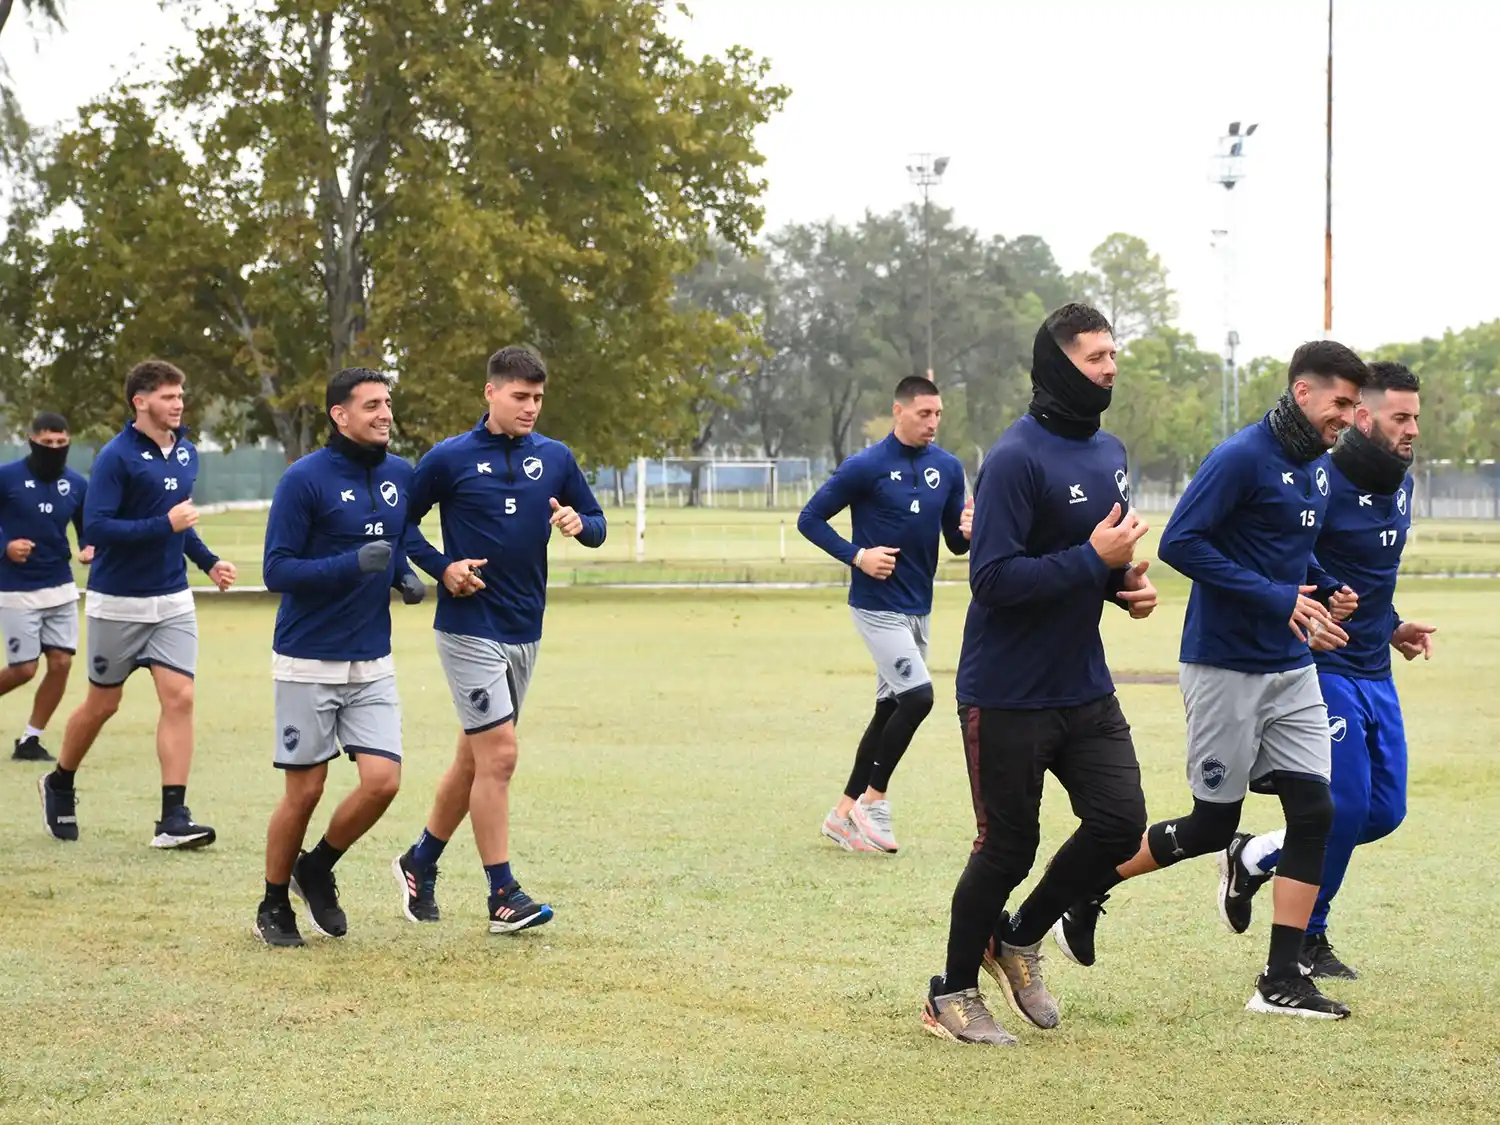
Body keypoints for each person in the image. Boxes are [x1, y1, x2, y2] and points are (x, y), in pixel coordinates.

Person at [1055, 340, 1369, 1021]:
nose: (1349, 416)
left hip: (1291, 667)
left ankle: (1282, 977)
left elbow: (1293, 545)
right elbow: (1181, 544)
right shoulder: (1240, 457)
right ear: (1304, 392)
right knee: (1208, 824)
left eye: (1355, 404)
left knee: (1317, 811)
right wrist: (1277, 598)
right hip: (1224, 663)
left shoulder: (1317, 468)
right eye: (1341, 402)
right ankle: (1081, 890)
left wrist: (1330, 588)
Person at [922, 304, 1156, 1046]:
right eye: (1095, 357)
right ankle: (950, 992)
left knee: (1121, 819)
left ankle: (1019, 936)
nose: (1111, 367)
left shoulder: (1112, 450)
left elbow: (1095, 557)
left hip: (1082, 682)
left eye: (1113, 354)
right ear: (1058, 363)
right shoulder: (1015, 457)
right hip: (1007, 690)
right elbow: (991, 578)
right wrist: (1095, 560)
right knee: (1007, 847)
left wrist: (1123, 587)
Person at [1215, 361, 1434, 980]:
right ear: (1363, 417)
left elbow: (1373, 579)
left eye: (1416, 416)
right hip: (1323, 664)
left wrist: (1394, 627)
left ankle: (1256, 854)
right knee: (1339, 803)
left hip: (1375, 668)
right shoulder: (1320, 477)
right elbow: (1290, 559)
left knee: (1385, 812)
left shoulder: (1402, 484)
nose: (1412, 428)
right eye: (1400, 417)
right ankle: (1306, 938)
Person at [394, 345, 606, 934]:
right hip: (468, 628)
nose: (531, 408)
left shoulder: (556, 458)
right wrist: (443, 569)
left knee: (476, 758)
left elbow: (597, 526)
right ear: (490, 393)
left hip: (525, 627)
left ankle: (420, 859)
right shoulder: (449, 458)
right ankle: (502, 895)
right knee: (502, 756)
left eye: (538, 398)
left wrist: (577, 523)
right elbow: (400, 524)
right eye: (520, 397)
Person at [254, 368, 428, 948]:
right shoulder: (304, 480)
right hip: (307, 660)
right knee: (304, 793)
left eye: (388, 403)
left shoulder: (401, 474)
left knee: (383, 783)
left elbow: (397, 541)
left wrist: (404, 574)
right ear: (340, 415)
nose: (385, 413)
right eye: (373, 404)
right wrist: (351, 565)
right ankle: (274, 902)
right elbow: (276, 571)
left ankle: (317, 867)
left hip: (372, 661)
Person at [38, 361, 236, 848]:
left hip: (172, 601)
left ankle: (173, 818)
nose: (178, 403)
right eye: (168, 396)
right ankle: (60, 781)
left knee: (181, 698)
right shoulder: (115, 458)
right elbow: (99, 528)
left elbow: (181, 524)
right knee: (103, 704)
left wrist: (208, 562)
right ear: (140, 402)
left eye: (180, 394)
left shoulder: (187, 454)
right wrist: (163, 526)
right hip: (117, 604)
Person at [797, 375, 972, 854]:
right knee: (918, 698)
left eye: (938, 414)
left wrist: (969, 529)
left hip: (920, 606)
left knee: (890, 708)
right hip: (877, 607)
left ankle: (839, 815)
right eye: (924, 414)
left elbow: (956, 542)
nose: (933, 423)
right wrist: (858, 556)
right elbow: (809, 519)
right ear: (899, 412)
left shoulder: (949, 468)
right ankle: (873, 803)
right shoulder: (866, 466)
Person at [0, 413, 93, 762]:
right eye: (47, 442)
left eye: (60, 442)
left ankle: (30, 740)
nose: (54, 448)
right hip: (15, 587)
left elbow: (88, 529)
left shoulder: (76, 484)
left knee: (61, 663)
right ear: (32, 441)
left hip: (60, 586)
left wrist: (89, 547)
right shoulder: (6, 477)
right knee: (24, 668)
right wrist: (5, 546)